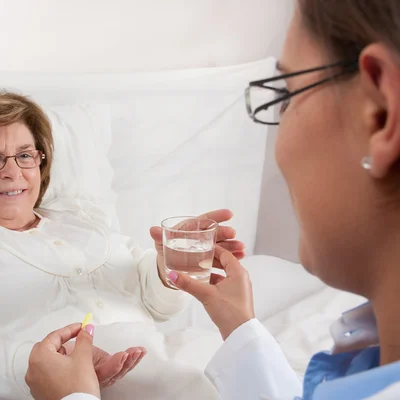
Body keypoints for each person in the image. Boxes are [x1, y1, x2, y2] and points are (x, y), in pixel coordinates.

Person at [24, 0, 400, 399]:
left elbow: (150, 291)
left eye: (287, 96)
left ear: (379, 114)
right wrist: (238, 325)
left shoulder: (86, 219)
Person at [0, 86, 244, 400]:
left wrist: (170, 267)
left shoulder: (82, 217)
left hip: (183, 368)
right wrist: (39, 366)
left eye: (25, 155)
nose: (12, 172)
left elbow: (157, 304)